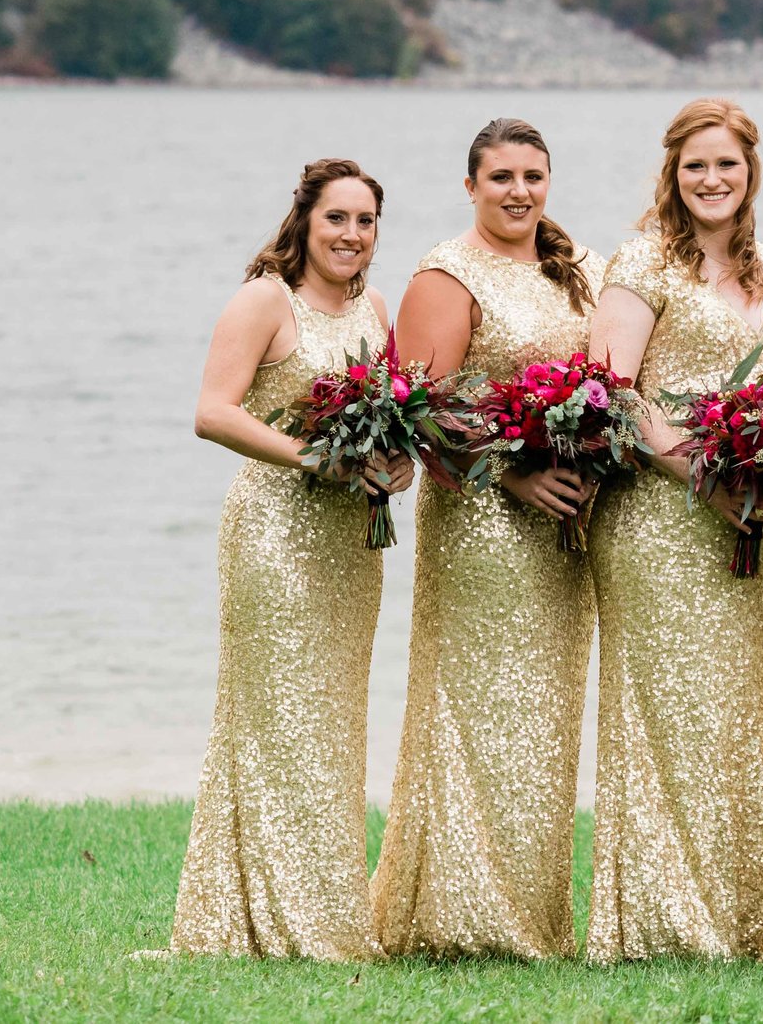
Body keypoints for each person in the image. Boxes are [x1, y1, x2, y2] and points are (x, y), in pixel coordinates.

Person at [166, 158, 407, 961]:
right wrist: (310, 459)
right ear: (305, 220)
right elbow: (211, 411)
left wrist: (397, 462)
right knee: (276, 718)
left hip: (350, 541)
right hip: (275, 533)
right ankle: (277, 920)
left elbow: (390, 415)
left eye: (365, 221)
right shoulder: (266, 299)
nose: (351, 234)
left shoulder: (375, 305)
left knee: (332, 719)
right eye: (337, 218)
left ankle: (326, 911)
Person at [370, 117, 600, 959]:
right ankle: (459, 914)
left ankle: (530, 911)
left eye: (533, 176)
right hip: (482, 522)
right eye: (500, 177)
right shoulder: (446, 274)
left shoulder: (570, 272)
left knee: (540, 718)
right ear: (470, 185)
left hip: (564, 530)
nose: (519, 192)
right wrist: (512, 474)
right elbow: (417, 409)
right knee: (477, 707)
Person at [582, 99, 763, 960]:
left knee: (738, 717)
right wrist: (704, 477)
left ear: (752, 172)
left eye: (728, 165)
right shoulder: (645, 263)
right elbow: (613, 392)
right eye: (695, 166)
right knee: (668, 714)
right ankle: (660, 922)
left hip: (753, 518)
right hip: (660, 522)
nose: (713, 180)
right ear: (672, 174)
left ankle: (740, 917)